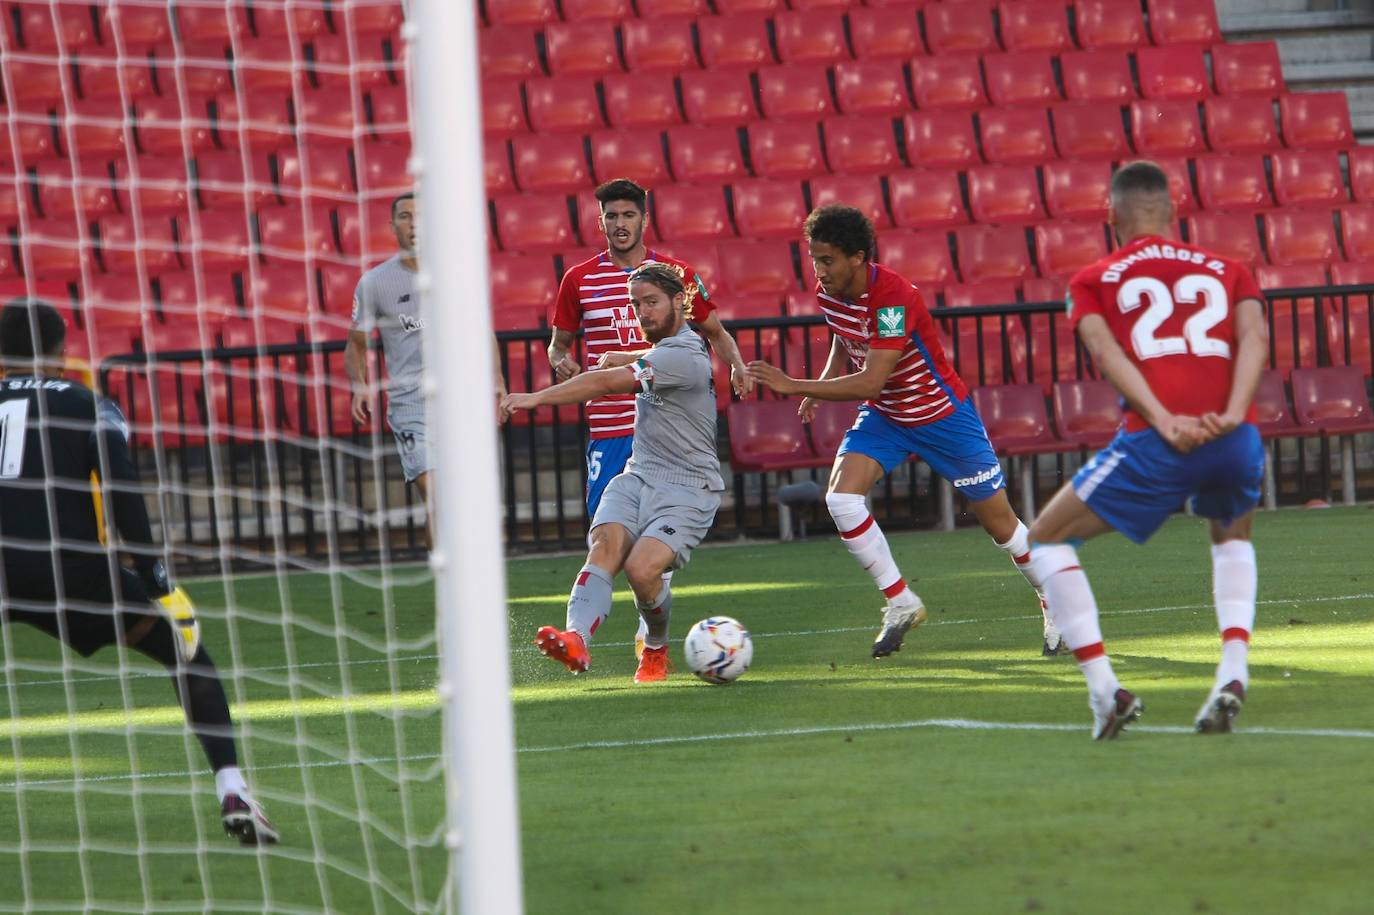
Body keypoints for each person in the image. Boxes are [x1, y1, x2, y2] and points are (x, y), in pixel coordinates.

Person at [0, 299, 277, 844]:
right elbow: (121, 485)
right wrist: (151, 569)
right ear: (61, 353)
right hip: (69, 569)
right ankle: (233, 788)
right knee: (186, 652)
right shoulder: (89, 404)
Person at [746, 205, 1057, 659]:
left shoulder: (892, 296)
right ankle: (900, 601)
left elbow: (871, 378)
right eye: (814, 259)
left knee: (1000, 525)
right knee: (841, 498)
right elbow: (843, 334)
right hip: (887, 416)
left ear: (857, 257)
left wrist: (796, 384)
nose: (819, 269)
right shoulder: (828, 290)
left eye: (827, 259)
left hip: (941, 417)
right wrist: (822, 381)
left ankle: (1054, 597)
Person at [1026, 161, 1268, 740]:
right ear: (1174, 210)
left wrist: (1165, 421)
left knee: (1045, 538)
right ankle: (1232, 672)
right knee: (1230, 536)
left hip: (1159, 440)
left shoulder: (1094, 278)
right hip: (1234, 436)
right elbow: (1255, 337)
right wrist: (1233, 416)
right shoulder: (1230, 269)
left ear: (1111, 214)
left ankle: (1104, 690)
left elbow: (1109, 355)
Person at [548, 178, 749, 658]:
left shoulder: (674, 273)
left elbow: (713, 331)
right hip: (610, 430)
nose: (620, 225)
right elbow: (560, 342)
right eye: (611, 216)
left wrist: (738, 364)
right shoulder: (577, 279)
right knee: (606, 542)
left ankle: (648, 636)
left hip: (664, 431)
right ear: (599, 221)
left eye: (628, 215)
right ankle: (582, 635)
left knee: (646, 559)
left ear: (644, 218)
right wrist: (560, 360)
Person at [506, 264, 722, 684]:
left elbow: (606, 382)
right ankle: (576, 639)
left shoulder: (685, 356)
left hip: (689, 487)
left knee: (642, 571)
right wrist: (628, 355)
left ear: (680, 301)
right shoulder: (668, 349)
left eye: (652, 302)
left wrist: (536, 399)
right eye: (636, 304)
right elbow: (644, 358)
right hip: (639, 473)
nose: (642, 313)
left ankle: (655, 648)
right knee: (604, 546)